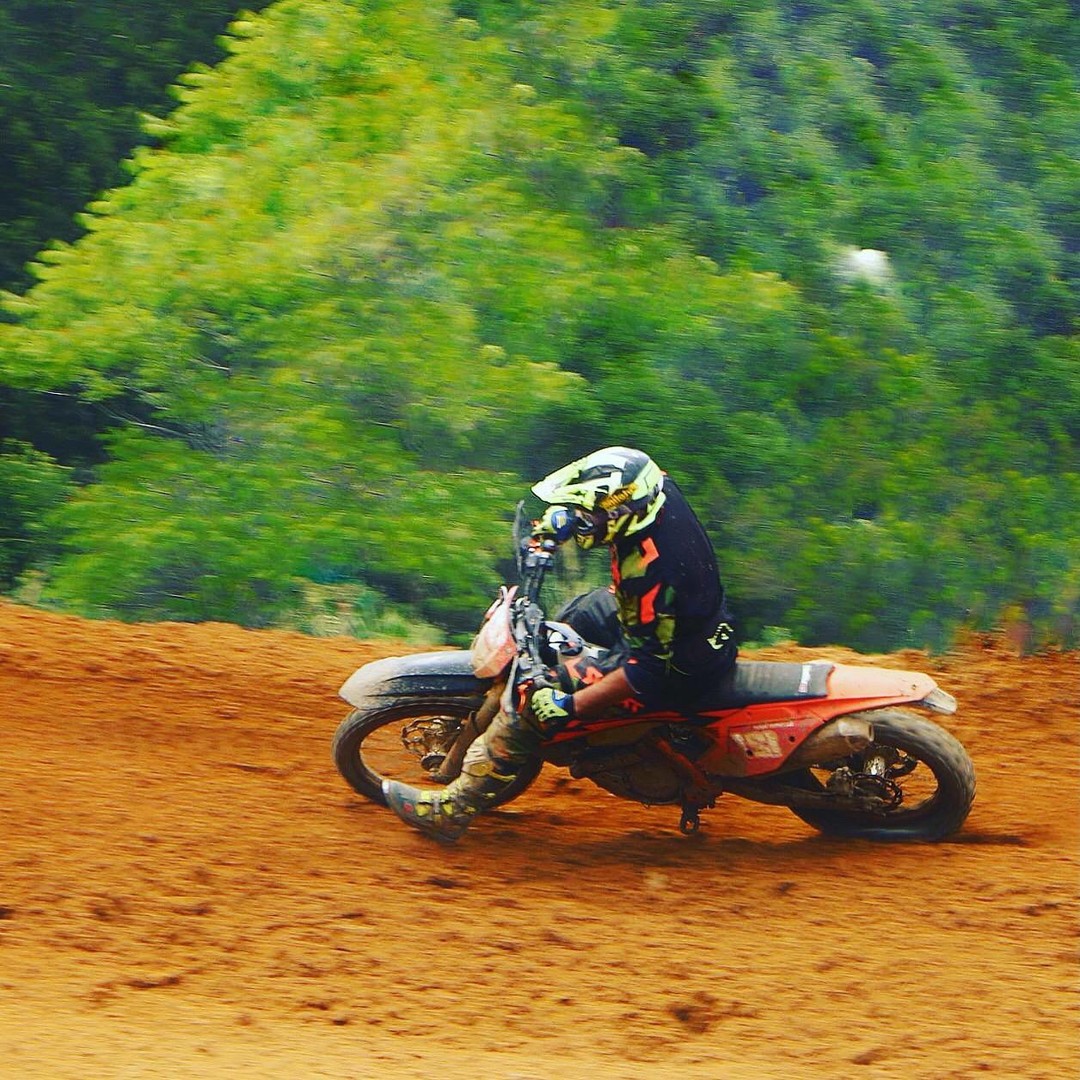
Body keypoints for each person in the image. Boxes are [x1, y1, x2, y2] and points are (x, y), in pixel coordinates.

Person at [382, 446, 737, 841]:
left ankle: (453, 810)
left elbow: (648, 670)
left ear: (621, 514)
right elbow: (608, 501)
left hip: (676, 666)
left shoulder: (651, 572)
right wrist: (562, 520)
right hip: (687, 623)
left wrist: (570, 705)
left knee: (530, 702)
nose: (585, 521)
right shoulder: (653, 487)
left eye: (590, 514)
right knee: (579, 612)